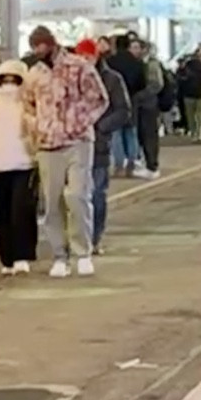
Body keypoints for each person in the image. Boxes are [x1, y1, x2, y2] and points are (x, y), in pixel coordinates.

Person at [21, 25, 110, 279]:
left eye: (42, 45)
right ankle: (60, 254)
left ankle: (83, 252)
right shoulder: (34, 74)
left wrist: (81, 122)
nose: (39, 50)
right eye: (34, 45)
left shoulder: (78, 66)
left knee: (77, 196)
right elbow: (27, 105)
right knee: (52, 202)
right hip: (47, 144)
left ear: (51, 43)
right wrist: (36, 127)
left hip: (78, 141)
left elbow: (100, 99)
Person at [0, 57, 39, 275]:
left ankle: (15, 256)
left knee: (13, 211)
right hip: (4, 164)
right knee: (11, 212)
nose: (9, 85)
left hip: (16, 164)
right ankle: (12, 257)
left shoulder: (27, 104)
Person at [75, 39, 132, 251]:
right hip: (75, 144)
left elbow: (123, 110)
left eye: (87, 56)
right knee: (77, 195)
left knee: (97, 193)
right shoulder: (70, 78)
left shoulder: (112, 79)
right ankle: (80, 237)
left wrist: (100, 126)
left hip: (99, 145)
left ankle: (94, 238)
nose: (83, 61)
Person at [104, 35, 145, 174]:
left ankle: (119, 164)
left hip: (114, 100)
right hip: (132, 99)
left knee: (117, 133)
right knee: (131, 132)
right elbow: (142, 83)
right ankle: (132, 162)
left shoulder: (110, 62)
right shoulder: (137, 62)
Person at [134, 44, 165, 179]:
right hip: (145, 104)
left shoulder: (151, 64)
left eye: (137, 47)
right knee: (144, 134)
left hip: (149, 104)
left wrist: (140, 96)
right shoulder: (141, 64)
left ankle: (152, 166)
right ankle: (148, 164)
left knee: (149, 135)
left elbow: (157, 84)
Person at [176, 47, 201, 139]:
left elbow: (179, 78)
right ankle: (200, 134)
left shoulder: (186, 66)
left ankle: (193, 134)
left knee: (190, 116)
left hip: (188, 94)